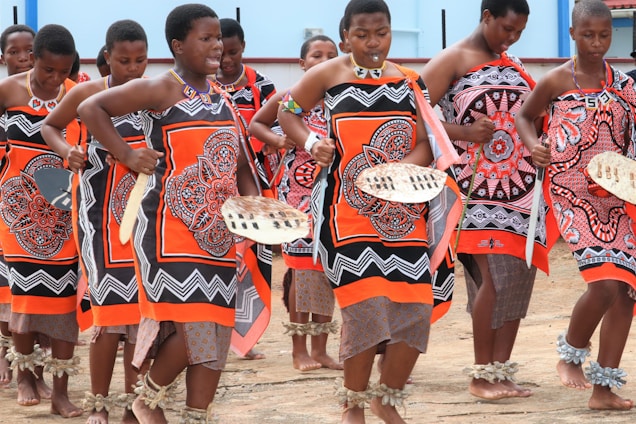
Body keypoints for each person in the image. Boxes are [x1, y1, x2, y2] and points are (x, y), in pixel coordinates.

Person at [77, 4, 263, 423]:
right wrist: (126, 153)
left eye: (219, 38)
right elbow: (92, 110)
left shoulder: (222, 98)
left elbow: (239, 164)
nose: (217, 45)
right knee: (196, 324)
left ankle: (197, 415)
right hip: (169, 230)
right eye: (206, 38)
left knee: (216, 331)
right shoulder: (163, 88)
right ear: (178, 46)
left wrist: (256, 214)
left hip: (217, 232)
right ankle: (146, 399)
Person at [278, 1, 460, 422]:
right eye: (362, 34)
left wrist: (396, 175)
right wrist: (310, 143)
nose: (373, 42)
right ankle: (353, 405)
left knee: (415, 311)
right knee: (365, 313)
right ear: (346, 37)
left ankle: (387, 397)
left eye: (381, 32)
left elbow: (425, 140)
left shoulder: (410, 81)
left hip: (403, 215)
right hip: (345, 215)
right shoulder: (326, 74)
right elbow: (288, 114)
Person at [420, 0, 556, 401]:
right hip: (473, 190)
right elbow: (412, 117)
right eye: (506, 29)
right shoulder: (451, 59)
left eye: (519, 32)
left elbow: (529, 116)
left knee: (518, 279)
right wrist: (461, 132)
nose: (511, 38)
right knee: (492, 282)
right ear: (486, 17)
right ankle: (481, 375)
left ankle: (501, 373)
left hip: (520, 192)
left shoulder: (513, 63)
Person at [516, 0, 636, 411]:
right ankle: (571, 354)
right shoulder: (554, 81)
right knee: (603, 284)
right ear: (573, 34)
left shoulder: (625, 86)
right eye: (589, 35)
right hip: (572, 195)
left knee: (626, 291)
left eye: (604, 35)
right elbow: (524, 118)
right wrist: (535, 147)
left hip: (619, 198)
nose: (598, 43)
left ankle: (604, 390)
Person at [42, 19, 149, 424]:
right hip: (97, 217)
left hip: (144, 220)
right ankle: (100, 406)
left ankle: (134, 406)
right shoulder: (88, 93)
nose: (132, 69)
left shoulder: (153, 95)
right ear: (107, 57)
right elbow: (48, 126)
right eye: (124, 61)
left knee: (142, 317)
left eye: (140, 60)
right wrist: (69, 150)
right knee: (109, 314)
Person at [0, 23, 82, 417]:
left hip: (65, 212)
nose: (55, 79)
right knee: (25, 298)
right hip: (18, 213)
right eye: (48, 70)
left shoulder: (77, 93)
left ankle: (61, 390)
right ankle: (26, 375)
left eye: (62, 72)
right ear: (33, 59)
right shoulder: (9, 90)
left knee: (64, 300)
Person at [249, 35, 342, 372]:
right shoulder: (289, 98)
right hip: (298, 197)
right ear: (302, 64)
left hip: (334, 198)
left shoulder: (345, 99)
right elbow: (255, 124)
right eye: (316, 55)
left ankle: (321, 348)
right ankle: (298, 349)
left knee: (328, 270)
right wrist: (276, 139)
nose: (325, 60)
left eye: (332, 54)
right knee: (302, 271)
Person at [213, 17, 277, 360]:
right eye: (220, 53)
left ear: (244, 48)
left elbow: (274, 132)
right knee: (222, 261)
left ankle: (245, 339)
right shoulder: (201, 86)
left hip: (254, 185)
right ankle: (220, 334)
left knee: (252, 261)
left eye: (233, 52)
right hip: (215, 189)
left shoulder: (261, 87)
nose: (225, 60)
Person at [0, 23, 36, 390]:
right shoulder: (3, 95)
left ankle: (32, 366)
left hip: (44, 205)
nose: (24, 58)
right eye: (15, 52)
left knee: (32, 291)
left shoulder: (58, 95)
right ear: (3, 58)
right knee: (6, 287)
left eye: (30, 50)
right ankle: (9, 354)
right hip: (7, 202)